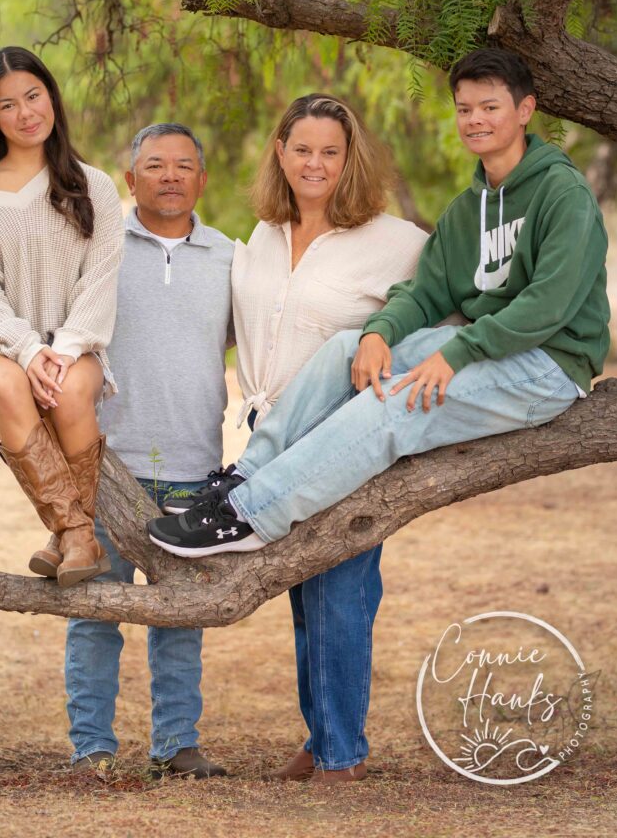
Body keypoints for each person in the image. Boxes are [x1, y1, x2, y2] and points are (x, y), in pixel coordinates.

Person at [149, 49, 609, 570]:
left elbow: (549, 303)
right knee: (347, 347)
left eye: (490, 107)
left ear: (525, 110)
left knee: (398, 401)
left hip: (548, 365)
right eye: (464, 109)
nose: (475, 120)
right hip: (495, 351)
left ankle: (250, 516)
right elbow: (425, 292)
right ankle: (245, 478)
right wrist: (379, 332)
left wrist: (458, 353)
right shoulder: (467, 210)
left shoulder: (563, 193)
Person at [163, 94, 426, 784]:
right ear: (280, 153)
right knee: (303, 592)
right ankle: (321, 736)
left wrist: (385, 356)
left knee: (340, 590)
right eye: (302, 149)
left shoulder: (396, 242)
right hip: (265, 434)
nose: (315, 164)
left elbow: (436, 319)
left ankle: (343, 754)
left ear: (350, 158)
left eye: (330, 152)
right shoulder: (262, 235)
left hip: (341, 439)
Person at [65, 123, 233, 781]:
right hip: (106, 467)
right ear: (130, 179)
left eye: (183, 165)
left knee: (180, 619)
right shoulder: (98, 250)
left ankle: (177, 745)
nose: (170, 176)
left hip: (195, 469)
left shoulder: (230, 257)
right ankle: (92, 749)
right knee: (94, 614)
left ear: (202, 180)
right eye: (155, 165)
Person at [0, 46, 123, 588]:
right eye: (8, 105)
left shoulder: (94, 186)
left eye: (33, 96)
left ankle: (67, 539)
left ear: (51, 97)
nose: (26, 113)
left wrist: (60, 351)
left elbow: (100, 280)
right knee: (7, 383)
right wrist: (26, 350)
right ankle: (77, 533)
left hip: (75, 347)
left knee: (68, 390)